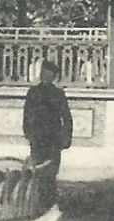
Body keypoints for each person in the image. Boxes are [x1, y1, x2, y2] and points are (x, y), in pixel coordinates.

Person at [22, 59, 75, 203]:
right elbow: (27, 114)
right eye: (44, 73)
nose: (45, 76)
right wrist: (28, 132)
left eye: (48, 74)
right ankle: (38, 200)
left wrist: (66, 138)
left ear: (53, 76)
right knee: (38, 169)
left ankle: (49, 201)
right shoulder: (33, 92)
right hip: (38, 137)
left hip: (53, 138)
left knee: (51, 171)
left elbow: (66, 117)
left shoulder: (57, 93)